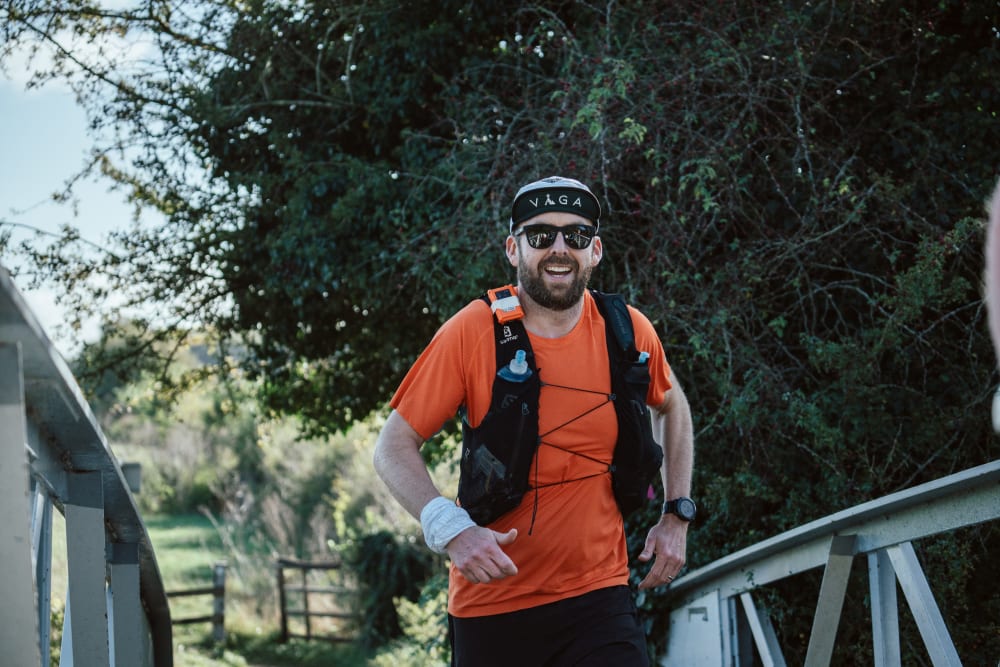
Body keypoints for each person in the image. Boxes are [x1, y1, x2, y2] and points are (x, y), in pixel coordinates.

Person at [373, 175, 695, 666]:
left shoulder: (626, 330)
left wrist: (676, 514)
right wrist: (452, 530)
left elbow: (672, 406)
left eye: (576, 235)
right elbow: (392, 447)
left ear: (595, 251)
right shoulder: (473, 331)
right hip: (492, 608)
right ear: (513, 248)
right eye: (541, 235)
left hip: (599, 599)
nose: (559, 248)